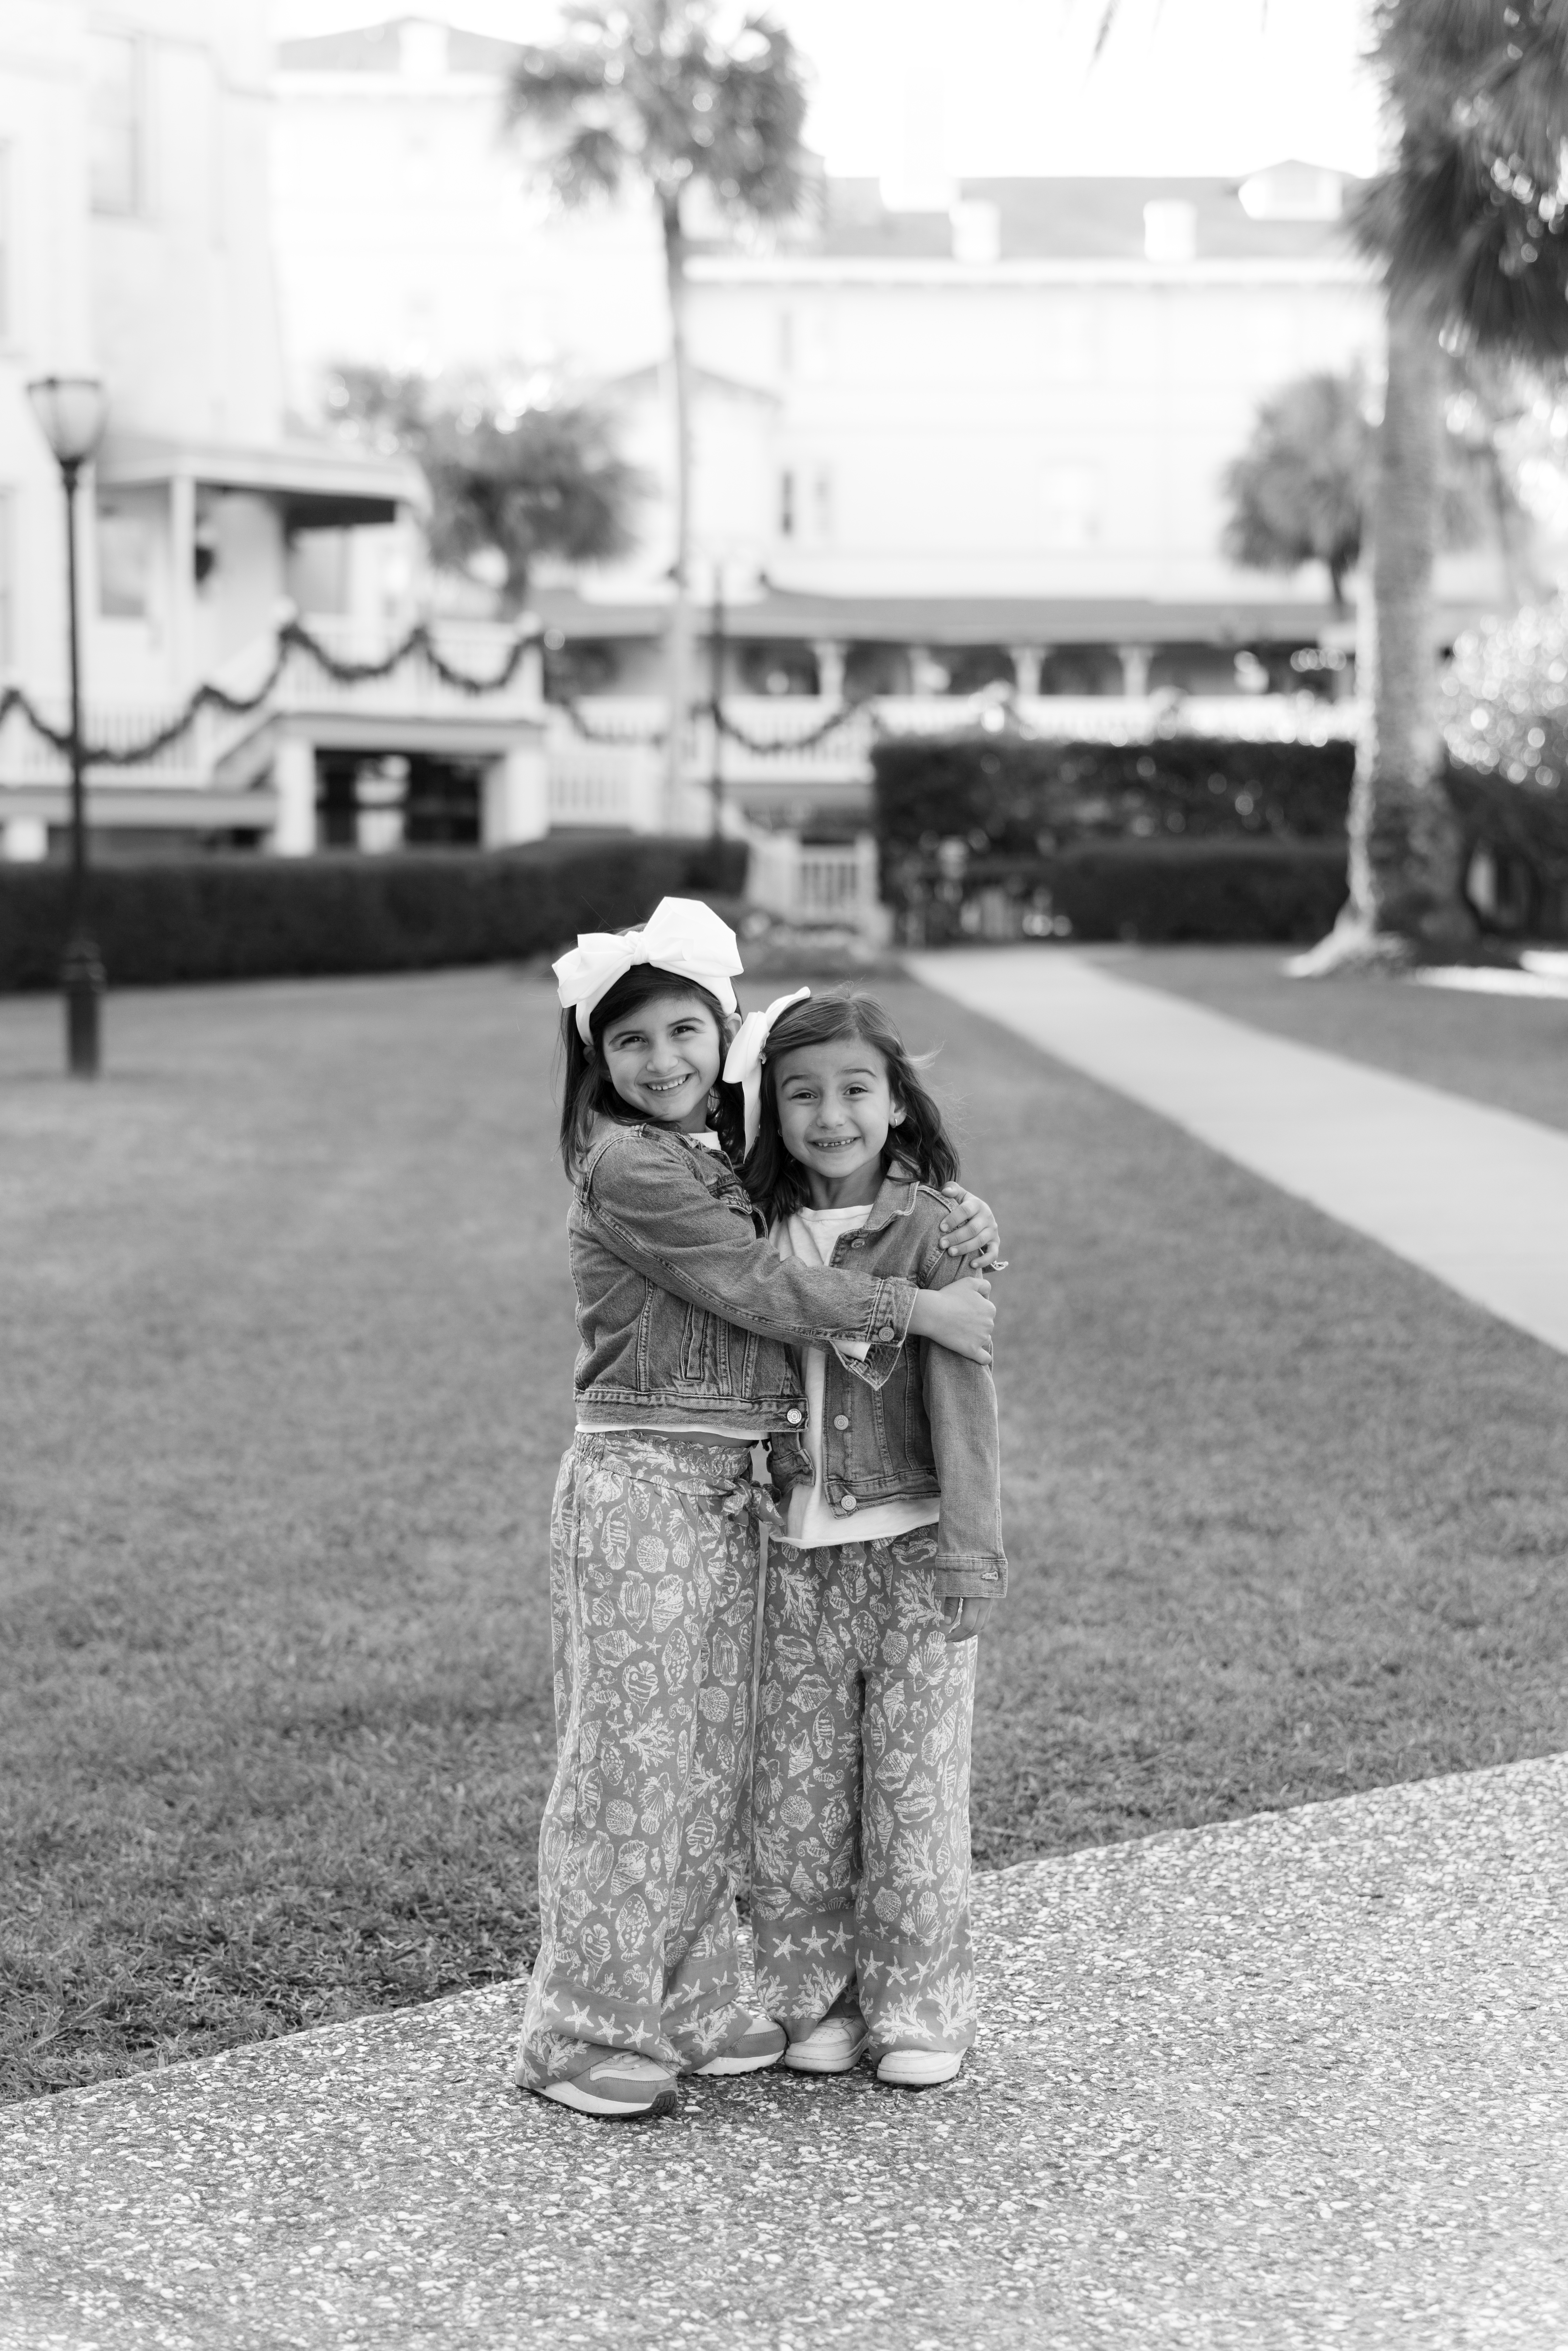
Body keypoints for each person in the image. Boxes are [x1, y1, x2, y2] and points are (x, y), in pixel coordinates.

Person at [511, 902, 1000, 2121]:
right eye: (631, 1044)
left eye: (686, 1032)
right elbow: (756, 1284)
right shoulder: (631, 1165)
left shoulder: (716, 1163)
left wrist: (954, 1209)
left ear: (721, 1042)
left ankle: (683, 2003)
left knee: (704, 1766)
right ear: (597, 1063)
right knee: (629, 1765)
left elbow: (840, 1207)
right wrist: (921, 1310)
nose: (662, 1060)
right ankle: (580, 2031)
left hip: (727, 1501)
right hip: (643, 1488)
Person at [729, 985, 1006, 2090]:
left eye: (856, 1089)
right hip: (797, 1555)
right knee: (797, 1792)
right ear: (771, 1111)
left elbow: (966, 1402)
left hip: (912, 1555)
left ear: (896, 1103)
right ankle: (814, 1998)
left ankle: (918, 2004)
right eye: (801, 1093)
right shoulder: (750, 1230)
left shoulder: (937, 1230)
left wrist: (973, 1552)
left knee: (915, 1787)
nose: (829, 1113)